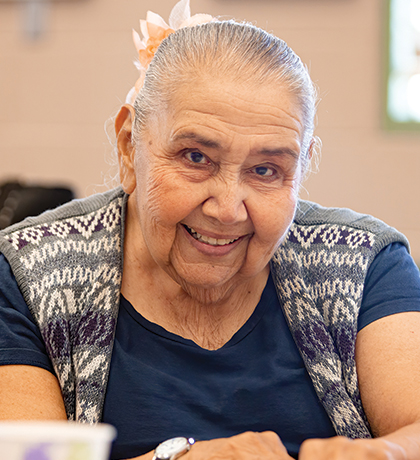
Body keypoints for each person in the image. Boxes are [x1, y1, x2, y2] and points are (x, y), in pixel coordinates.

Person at [1, 0, 420, 459]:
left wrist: (386, 454)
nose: (227, 209)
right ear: (128, 148)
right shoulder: (29, 275)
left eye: (266, 170)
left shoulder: (363, 267)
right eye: (195, 157)